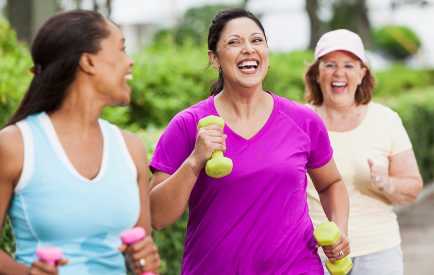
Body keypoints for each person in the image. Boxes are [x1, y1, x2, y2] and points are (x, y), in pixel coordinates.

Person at [149, 8, 350, 274]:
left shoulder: (303, 121)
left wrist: (338, 228)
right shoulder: (188, 124)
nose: (248, 49)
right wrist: (195, 161)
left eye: (256, 41)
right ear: (215, 59)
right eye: (234, 42)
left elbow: (331, 183)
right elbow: (157, 216)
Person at [0, 10, 161, 275]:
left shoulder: (131, 148)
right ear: (88, 62)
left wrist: (144, 260)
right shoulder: (16, 145)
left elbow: (142, 251)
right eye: (121, 49)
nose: (130, 62)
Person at [304, 29, 423, 275]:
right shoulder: (300, 121)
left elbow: (413, 187)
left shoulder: (385, 120)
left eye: (349, 65)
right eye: (330, 64)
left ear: (362, 73)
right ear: (317, 73)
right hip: (315, 252)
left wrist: (386, 183)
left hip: (378, 252)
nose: (339, 73)